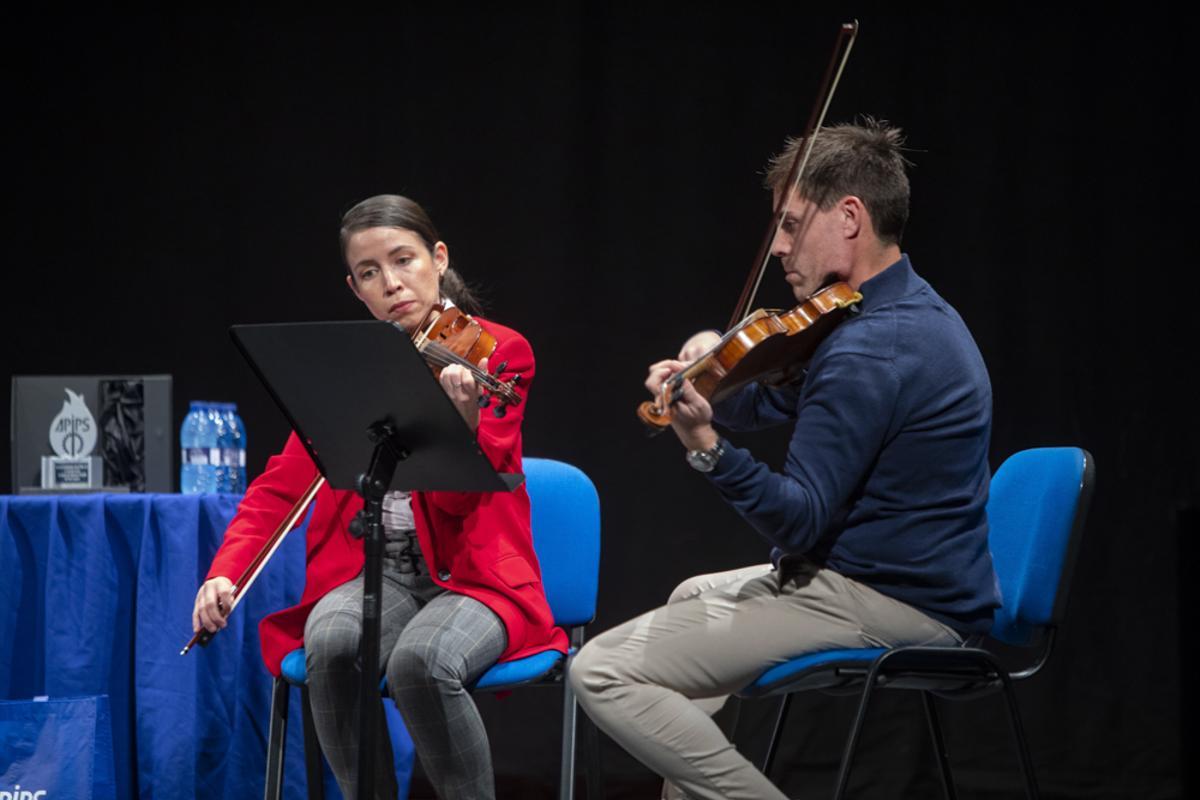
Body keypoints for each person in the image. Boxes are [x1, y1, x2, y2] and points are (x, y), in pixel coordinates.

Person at [569, 120, 1000, 800]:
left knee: (601, 672)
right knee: (689, 595)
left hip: (889, 598)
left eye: (792, 224)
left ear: (850, 217)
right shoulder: (904, 316)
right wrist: (708, 379)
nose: (777, 246)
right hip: (914, 581)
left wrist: (708, 450)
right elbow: (777, 402)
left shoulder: (871, 350)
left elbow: (797, 523)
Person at [191, 194, 566, 800]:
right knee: (329, 643)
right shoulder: (350, 366)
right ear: (355, 289)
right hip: (378, 572)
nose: (392, 283)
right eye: (370, 273)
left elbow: (457, 508)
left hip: (473, 577)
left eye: (404, 260)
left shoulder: (499, 353)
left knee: (422, 662)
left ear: (437, 258)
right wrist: (226, 571)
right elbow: (282, 485)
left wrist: (463, 434)